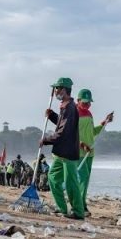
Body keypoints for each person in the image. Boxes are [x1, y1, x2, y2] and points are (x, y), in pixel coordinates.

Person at [42, 77, 83, 218]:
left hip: (68, 152)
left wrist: (46, 140)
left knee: (71, 183)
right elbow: (60, 123)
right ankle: (62, 208)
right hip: (60, 152)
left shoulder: (70, 107)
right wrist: (52, 115)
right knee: (53, 177)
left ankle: (78, 212)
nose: (55, 91)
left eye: (57, 88)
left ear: (64, 90)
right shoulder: (64, 106)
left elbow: (63, 132)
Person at [76, 88, 113, 216]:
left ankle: (82, 204)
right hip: (79, 152)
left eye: (89, 102)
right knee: (83, 178)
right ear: (78, 100)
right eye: (84, 102)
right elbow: (70, 134)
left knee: (85, 181)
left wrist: (104, 122)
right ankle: (79, 206)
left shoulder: (89, 113)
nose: (87, 105)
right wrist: (81, 144)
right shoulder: (74, 112)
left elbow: (92, 132)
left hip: (90, 153)